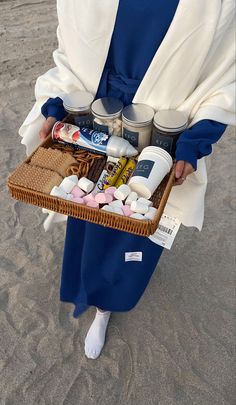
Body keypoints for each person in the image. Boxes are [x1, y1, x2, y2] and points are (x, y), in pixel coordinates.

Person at [18, 0, 235, 359]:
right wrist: (58, 105)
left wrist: (195, 142)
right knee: (91, 213)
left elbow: (224, 75)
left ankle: (106, 307)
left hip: (162, 129)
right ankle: (89, 290)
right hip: (95, 116)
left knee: (136, 226)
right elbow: (71, 52)